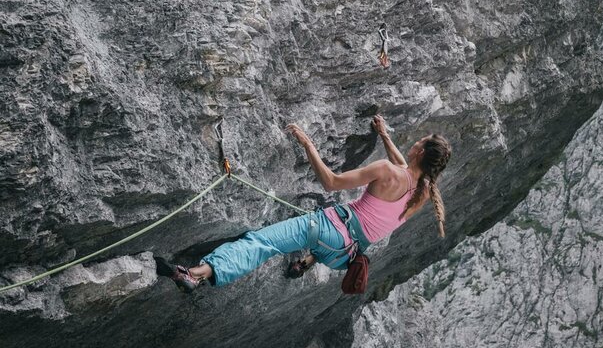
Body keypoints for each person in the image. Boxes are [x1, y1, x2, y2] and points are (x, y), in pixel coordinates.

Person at [156, 115, 451, 292]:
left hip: (326, 230)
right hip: (343, 256)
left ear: (420, 150)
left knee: (261, 243)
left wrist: (308, 144)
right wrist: (384, 136)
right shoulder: (424, 192)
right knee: (331, 235)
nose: (414, 142)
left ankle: (195, 275)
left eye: (420, 141)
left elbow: (331, 182)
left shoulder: (387, 170)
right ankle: (305, 262)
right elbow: (404, 165)